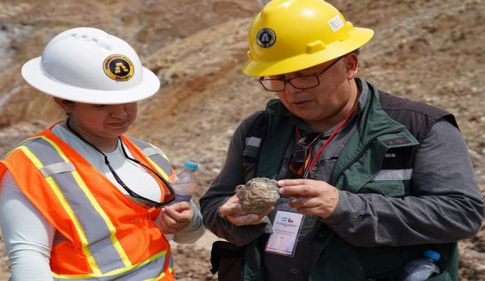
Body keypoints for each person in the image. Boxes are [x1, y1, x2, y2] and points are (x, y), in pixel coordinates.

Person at [199, 1, 484, 280]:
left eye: (306, 75)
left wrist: (345, 207)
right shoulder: (257, 130)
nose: (291, 91)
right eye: (278, 79)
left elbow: (462, 213)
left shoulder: (418, 128)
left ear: (350, 64)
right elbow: (213, 204)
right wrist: (232, 218)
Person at [0, 27, 205, 280]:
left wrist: (184, 222)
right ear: (63, 101)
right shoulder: (30, 166)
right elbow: (28, 261)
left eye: (129, 101)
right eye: (101, 105)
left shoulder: (150, 156)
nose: (121, 114)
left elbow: (192, 235)